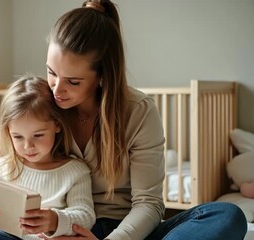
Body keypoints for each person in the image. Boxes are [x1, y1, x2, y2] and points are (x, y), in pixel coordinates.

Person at [44, 1, 247, 240]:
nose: (57, 89)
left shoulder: (138, 111)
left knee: (227, 215)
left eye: (73, 81)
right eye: (51, 72)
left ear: (101, 77)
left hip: (127, 231)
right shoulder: (43, 105)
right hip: (63, 228)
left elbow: (149, 204)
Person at [0, 74, 96, 240]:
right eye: (18, 137)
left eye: (38, 135)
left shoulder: (75, 171)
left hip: (46, 238)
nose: (28, 146)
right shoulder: (3, 166)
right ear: (8, 133)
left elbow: (86, 216)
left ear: (57, 125)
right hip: (6, 236)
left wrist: (54, 221)